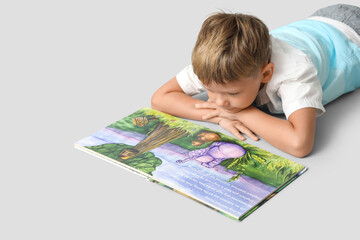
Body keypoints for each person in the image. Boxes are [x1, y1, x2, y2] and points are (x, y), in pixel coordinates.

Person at [151, 4, 360, 158]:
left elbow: (300, 144)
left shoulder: (295, 73)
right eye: (209, 90)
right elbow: (161, 98)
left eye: (232, 94)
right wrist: (219, 118)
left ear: (266, 74)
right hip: (317, 22)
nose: (218, 102)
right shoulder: (216, 65)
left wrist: (243, 112)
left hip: (352, 38)